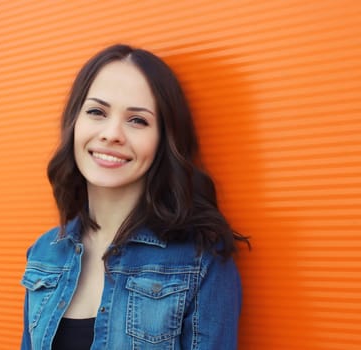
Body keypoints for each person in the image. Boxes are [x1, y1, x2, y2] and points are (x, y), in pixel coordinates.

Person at [21, 44, 250, 350]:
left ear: (162, 141)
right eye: (97, 112)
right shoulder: (45, 254)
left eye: (137, 120)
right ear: (74, 124)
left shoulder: (200, 259)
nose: (112, 133)